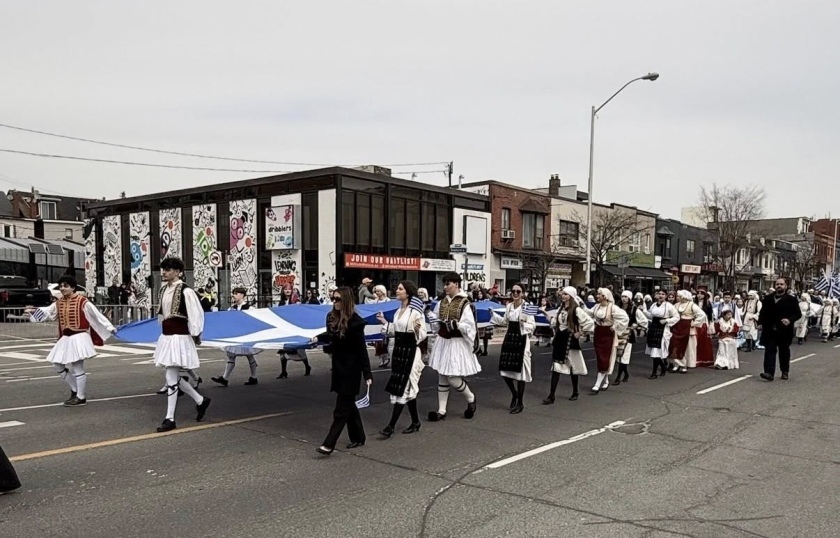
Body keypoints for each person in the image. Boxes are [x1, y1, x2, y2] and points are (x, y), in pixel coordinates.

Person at [26, 275, 116, 406]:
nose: (63, 288)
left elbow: (96, 315)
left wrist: (110, 327)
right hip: (66, 338)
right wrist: (33, 312)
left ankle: (80, 396)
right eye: (61, 286)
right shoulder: (59, 302)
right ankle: (75, 390)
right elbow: (48, 312)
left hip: (79, 337)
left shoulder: (83, 301)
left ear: (73, 288)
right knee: (57, 363)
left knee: (77, 367)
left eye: (66, 286)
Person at [153, 257, 211, 432]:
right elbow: (162, 315)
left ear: (178, 272)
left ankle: (170, 418)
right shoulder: (163, 290)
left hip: (179, 336)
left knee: (171, 376)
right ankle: (200, 400)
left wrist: (195, 334)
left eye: (168, 270)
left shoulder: (186, 291)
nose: (164, 272)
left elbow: (196, 314)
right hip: (168, 336)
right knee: (171, 375)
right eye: (163, 269)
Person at [313, 287, 372, 455]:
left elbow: (361, 349)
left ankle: (329, 444)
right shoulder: (331, 317)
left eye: (338, 299)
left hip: (352, 369)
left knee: (340, 409)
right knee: (349, 405)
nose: (335, 302)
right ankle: (358, 437)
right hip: (338, 368)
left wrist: (367, 373)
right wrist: (318, 338)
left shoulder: (356, 322)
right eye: (333, 299)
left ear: (346, 300)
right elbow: (331, 336)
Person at [426, 272, 480, 421]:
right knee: (442, 376)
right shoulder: (442, 302)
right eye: (444, 284)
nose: (445, 287)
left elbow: (470, 326)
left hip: (456, 342)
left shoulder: (465, 303)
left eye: (447, 284)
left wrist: (457, 325)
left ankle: (471, 397)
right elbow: (436, 324)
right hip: (443, 341)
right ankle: (441, 410)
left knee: (453, 377)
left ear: (456, 284)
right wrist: (431, 317)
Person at [375, 281, 426, 437]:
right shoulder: (399, 311)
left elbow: (422, 334)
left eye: (400, 289)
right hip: (399, 351)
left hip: (411, 351)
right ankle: (416, 422)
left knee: (404, 387)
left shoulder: (416, 312)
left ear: (408, 292)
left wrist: (417, 330)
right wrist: (384, 322)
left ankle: (390, 426)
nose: (397, 291)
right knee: (405, 386)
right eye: (397, 288)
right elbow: (395, 330)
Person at [489, 283, 536, 414]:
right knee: (504, 369)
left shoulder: (528, 307)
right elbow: (505, 321)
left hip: (521, 339)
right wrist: (493, 315)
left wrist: (524, 324)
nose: (515, 293)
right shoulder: (509, 306)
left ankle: (520, 402)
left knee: (521, 371)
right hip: (510, 338)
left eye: (518, 291)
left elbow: (533, 325)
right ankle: (514, 393)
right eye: (513, 291)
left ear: (523, 293)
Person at [543, 286, 594, 403]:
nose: (563, 296)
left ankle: (575, 391)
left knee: (573, 367)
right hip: (560, 339)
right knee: (556, 367)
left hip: (570, 340)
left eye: (566, 294)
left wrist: (580, 332)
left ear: (571, 296)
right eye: (563, 294)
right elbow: (555, 322)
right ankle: (551, 395)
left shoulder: (576, 309)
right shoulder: (560, 308)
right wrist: (546, 315)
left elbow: (589, 322)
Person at [211, 288, 260, 386]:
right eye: (233, 293)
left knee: (249, 355)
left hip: (246, 335)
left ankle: (253, 377)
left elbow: (254, 322)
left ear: (242, 295)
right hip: (236, 336)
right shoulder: (231, 309)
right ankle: (225, 378)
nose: (234, 295)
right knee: (232, 356)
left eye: (236, 293)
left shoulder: (250, 308)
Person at [587, 288, 629, 395]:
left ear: (605, 296)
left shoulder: (612, 308)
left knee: (605, 357)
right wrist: (582, 307)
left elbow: (624, 318)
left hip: (608, 334)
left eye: (599, 294)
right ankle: (605, 381)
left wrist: (614, 327)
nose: (597, 296)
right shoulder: (597, 306)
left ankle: (597, 384)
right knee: (600, 356)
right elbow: (590, 314)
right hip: (599, 332)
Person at [758, 278, 801, 382]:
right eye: (777, 284)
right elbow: (763, 312)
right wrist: (760, 323)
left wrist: (789, 320)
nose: (779, 286)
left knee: (784, 352)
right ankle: (769, 373)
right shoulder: (768, 298)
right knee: (769, 351)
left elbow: (798, 314)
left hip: (784, 331)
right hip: (770, 330)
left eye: (781, 284)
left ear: (785, 286)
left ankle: (784, 371)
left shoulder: (791, 299)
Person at [644, 290, 679, 379]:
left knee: (656, 351)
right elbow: (650, 316)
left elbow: (677, 317)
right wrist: (643, 311)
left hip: (662, 329)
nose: (660, 296)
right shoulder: (653, 305)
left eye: (663, 294)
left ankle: (654, 373)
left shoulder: (669, 306)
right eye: (659, 294)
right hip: (653, 327)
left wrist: (666, 320)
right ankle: (663, 367)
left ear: (666, 296)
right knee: (653, 351)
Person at [371, 284, 391, 367]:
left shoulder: (388, 301)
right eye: (376, 291)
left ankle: (386, 358)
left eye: (378, 291)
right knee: (378, 343)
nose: (377, 293)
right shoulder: (375, 302)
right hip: (377, 324)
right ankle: (382, 358)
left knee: (385, 342)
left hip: (385, 323)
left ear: (383, 291)